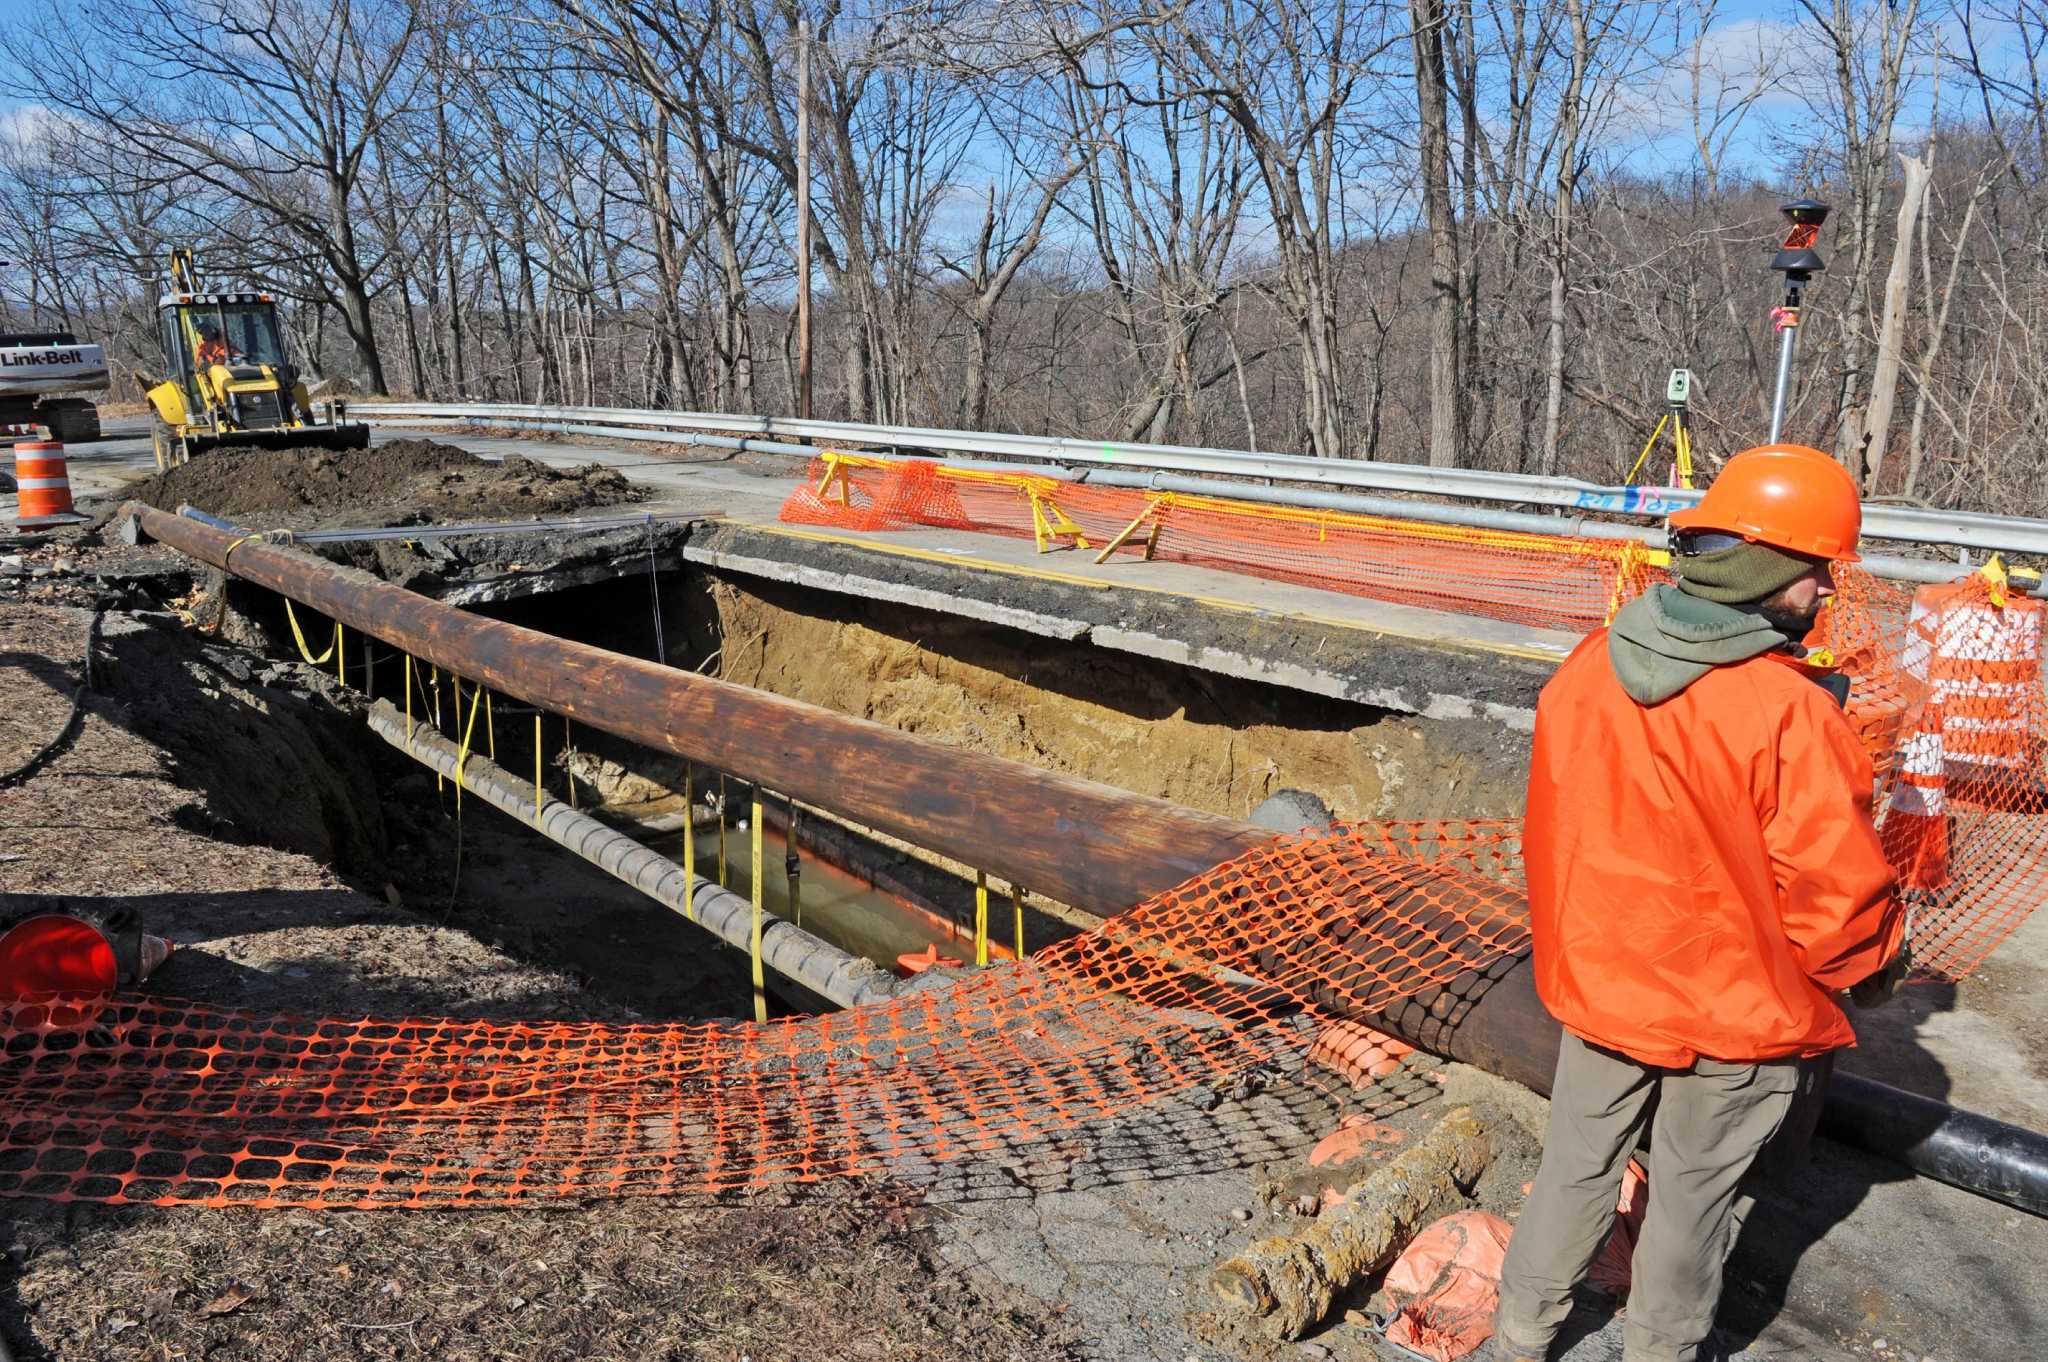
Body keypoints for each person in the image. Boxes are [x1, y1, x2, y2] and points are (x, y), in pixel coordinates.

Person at [1492, 443, 1907, 1362]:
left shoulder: (1592, 664)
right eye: (1816, 573)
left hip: (1606, 981)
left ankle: (1518, 1337)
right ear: (1766, 569)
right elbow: (1834, 898)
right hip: (1736, 1009)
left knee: (1575, 1167)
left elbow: (1561, 826)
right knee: (1691, 1197)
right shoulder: (1792, 714)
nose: (1826, 594)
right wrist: (1874, 971)